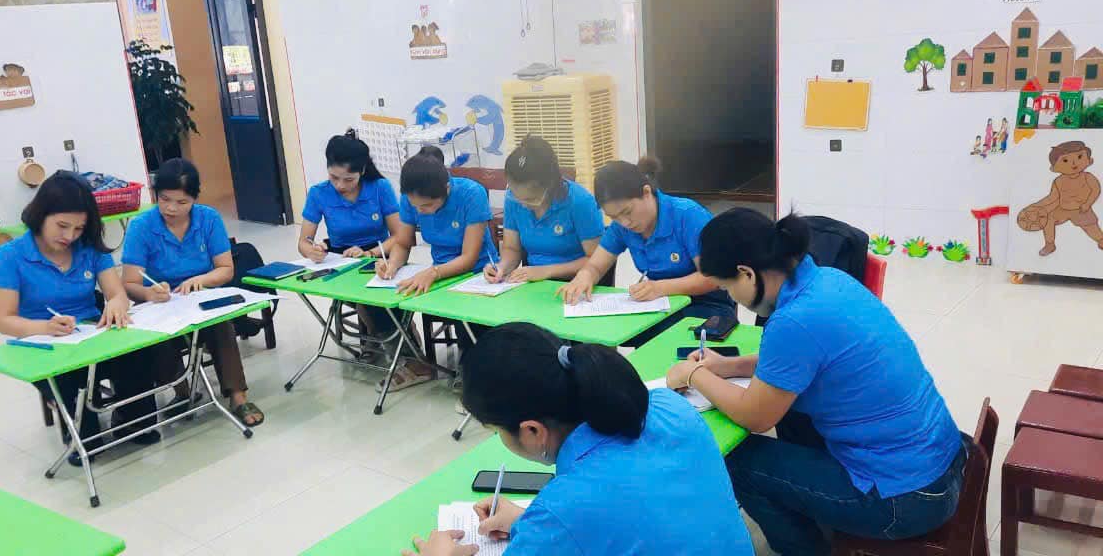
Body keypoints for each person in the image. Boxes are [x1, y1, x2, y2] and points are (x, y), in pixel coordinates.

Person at [666, 209, 964, 556]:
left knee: (737, 462)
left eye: (727, 287)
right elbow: (802, 359)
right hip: (942, 462)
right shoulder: (829, 281)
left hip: (904, 499)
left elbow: (755, 417)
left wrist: (694, 375)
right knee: (793, 423)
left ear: (746, 273)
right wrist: (728, 366)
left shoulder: (793, 320)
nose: (733, 297)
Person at [402, 322, 753, 556]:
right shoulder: (670, 406)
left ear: (532, 430)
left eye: (497, 431)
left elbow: (589, 512)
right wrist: (531, 524)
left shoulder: (562, 510)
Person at [0, 172, 160, 465]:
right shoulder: (9, 256)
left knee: (138, 355)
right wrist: (45, 327)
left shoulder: (89, 248)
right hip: (41, 344)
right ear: (41, 215)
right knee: (87, 437)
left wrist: (116, 304)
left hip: (90, 334)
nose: (69, 236)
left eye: (78, 228)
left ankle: (129, 419)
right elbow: (5, 321)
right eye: (62, 226)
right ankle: (82, 432)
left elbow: (117, 294)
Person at [121, 158, 264, 428]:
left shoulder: (208, 218)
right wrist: (150, 294)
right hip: (161, 303)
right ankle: (183, 392)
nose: (171, 208)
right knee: (158, 335)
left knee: (220, 324)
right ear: (155, 194)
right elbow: (129, 283)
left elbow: (225, 269)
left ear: (195, 199)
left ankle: (238, 396)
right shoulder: (142, 226)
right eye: (164, 199)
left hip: (201, 297)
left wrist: (202, 279)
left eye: (182, 202)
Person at [556, 158, 735, 345]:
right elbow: (596, 265)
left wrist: (659, 288)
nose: (625, 223)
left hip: (706, 306)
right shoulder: (621, 227)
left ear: (646, 192)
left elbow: (712, 278)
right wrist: (584, 276)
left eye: (627, 212)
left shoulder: (688, 215)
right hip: (659, 305)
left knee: (664, 342)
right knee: (601, 332)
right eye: (614, 217)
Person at [376, 147, 499, 386]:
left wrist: (433, 273)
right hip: (440, 272)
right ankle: (414, 362)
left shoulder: (471, 194)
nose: (420, 211)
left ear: (447, 189)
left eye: (427, 206)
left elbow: (469, 257)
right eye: (416, 206)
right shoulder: (411, 197)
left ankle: (472, 371)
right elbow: (403, 242)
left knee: (464, 309)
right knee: (382, 301)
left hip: (478, 272)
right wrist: (391, 265)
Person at [297, 130, 411, 369]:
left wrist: (370, 253)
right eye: (334, 177)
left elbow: (400, 236)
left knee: (375, 295)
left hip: (380, 254)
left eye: (348, 179)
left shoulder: (379, 187)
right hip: (340, 259)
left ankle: (401, 352)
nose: (340, 185)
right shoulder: (318, 193)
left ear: (362, 171)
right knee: (364, 297)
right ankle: (398, 350)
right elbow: (303, 243)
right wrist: (312, 250)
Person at [484, 135, 603, 284]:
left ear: (550, 184)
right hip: (533, 282)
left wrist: (547, 271)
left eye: (531, 199)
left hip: (576, 283)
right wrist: (501, 267)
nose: (523, 205)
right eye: (516, 196)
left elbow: (597, 259)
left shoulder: (580, 201)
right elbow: (511, 249)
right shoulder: (512, 199)